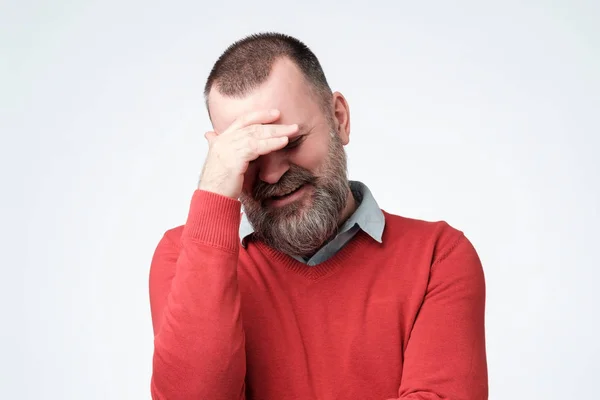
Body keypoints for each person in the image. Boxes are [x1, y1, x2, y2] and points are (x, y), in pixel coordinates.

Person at [148, 32, 488, 400]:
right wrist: (213, 192)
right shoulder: (183, 257)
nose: (272, 174)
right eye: (248, 154)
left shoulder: (438, 257)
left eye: (290, 142)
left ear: (338, 119)